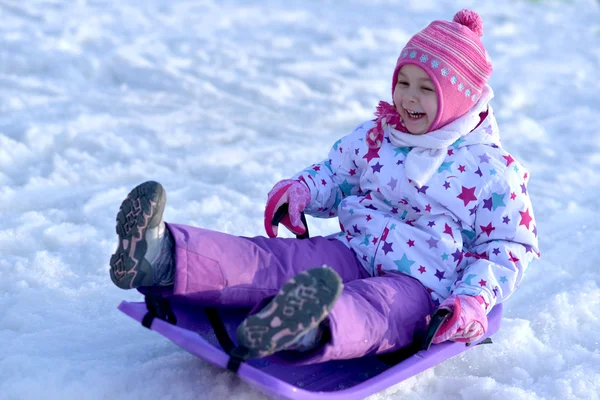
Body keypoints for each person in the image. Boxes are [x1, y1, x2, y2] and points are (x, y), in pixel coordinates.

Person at [109, 9, 540, 363]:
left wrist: (472, 300)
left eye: (427, 89)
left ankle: (302, 326)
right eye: (403, 82)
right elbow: (336, 173)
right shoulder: (380, 135)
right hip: (353, 248)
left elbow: (507, 247)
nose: (408, 97)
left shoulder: (492, 171)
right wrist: (302, 191)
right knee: (274, 261)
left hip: (423, 286)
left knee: (376, 308)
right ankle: (162, 256)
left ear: (460, 98)